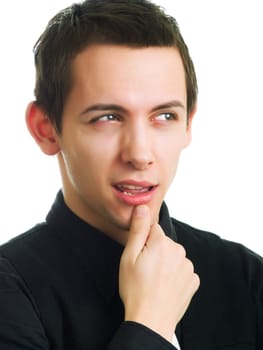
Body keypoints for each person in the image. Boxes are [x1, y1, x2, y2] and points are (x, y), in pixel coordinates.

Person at [0, 0, 262, 349]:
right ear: (46, 129)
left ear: (188, 125)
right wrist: (149, 324)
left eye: (165, 116)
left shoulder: (246, 278)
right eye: (107, 117)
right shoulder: (10, 292)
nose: (139, 155)